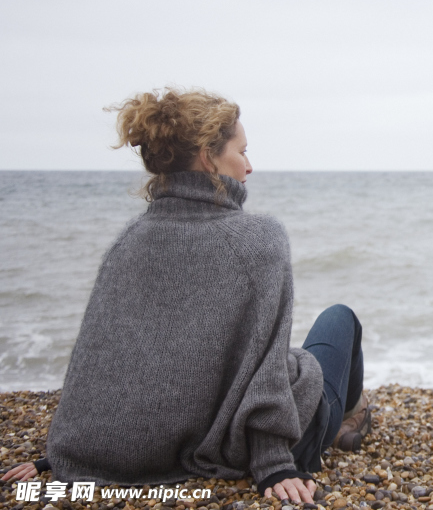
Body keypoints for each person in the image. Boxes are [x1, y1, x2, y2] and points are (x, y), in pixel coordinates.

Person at [1, 88, 370, 505]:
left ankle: (349, 413)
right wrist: (273, 464)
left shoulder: (130, 240)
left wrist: (67, 457)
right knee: (340, 319)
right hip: (268, 444)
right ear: (209, 157)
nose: (249, 166)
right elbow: (266, 364)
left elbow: (101, 361)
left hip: (147, 446)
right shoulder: (260, 240)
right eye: (242, 151)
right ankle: (350, 415)